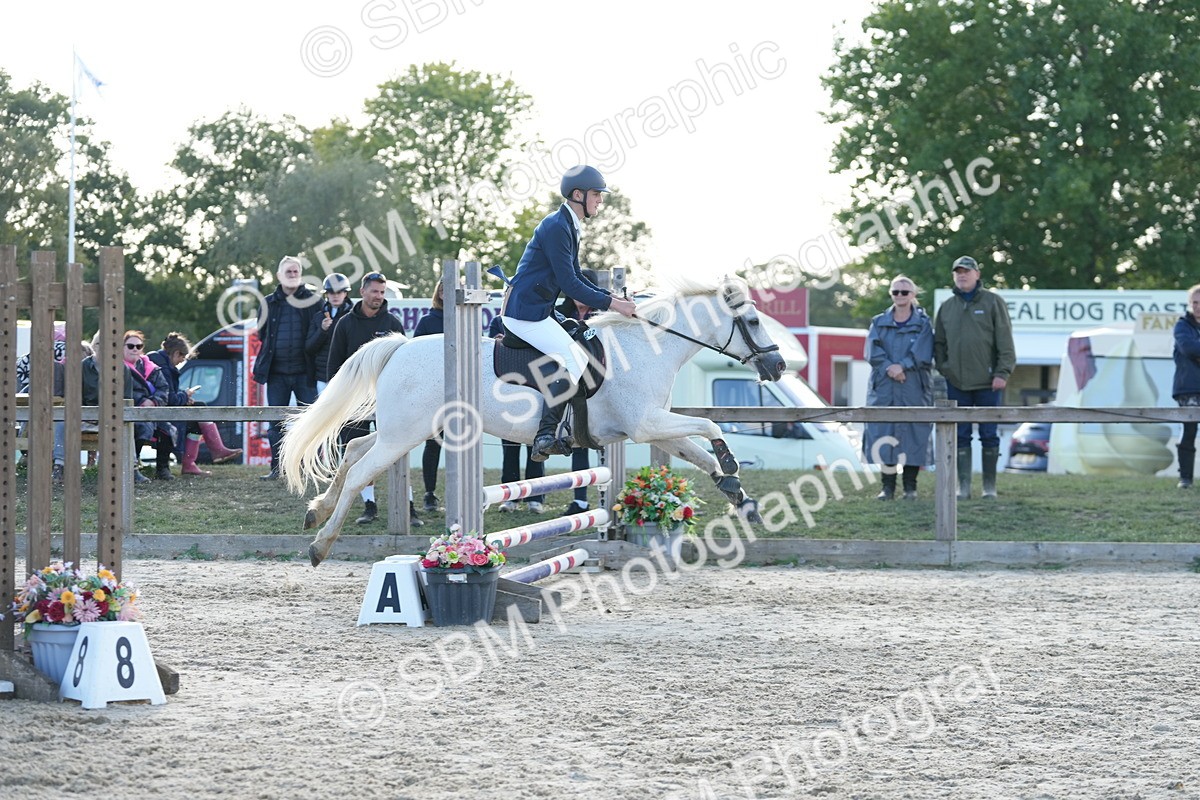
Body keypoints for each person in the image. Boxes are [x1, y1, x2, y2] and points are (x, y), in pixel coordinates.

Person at [499, 165, 637, 462]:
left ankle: (574, 427)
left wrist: (612, 297)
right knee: (575, 358)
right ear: (579, 194)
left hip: (539, 309)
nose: (600, 200)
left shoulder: (568, 223)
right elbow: (569, 283)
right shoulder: (557, 226)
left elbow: (575, 274)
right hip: (524, 313)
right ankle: (545, 435)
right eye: (597, 194)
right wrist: (614, 305)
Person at [326, 272, 419, 526]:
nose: (379, 296)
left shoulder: (393, 323)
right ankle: (369, 505)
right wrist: (339, 398)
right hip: (355, 400)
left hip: (387, 400)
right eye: (375, 291)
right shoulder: (345, 324)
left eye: (382, 292)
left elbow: (405, 365)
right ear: (362, 291)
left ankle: (408, 506)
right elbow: (335, 363)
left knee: (397, 450)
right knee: (359, 452)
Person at [934, 255, 1016, 499]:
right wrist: (946, 369)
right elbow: (939, 344)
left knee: (989, 433)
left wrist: (1002, 373)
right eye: (958, 271)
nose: (962, 275)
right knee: (960, 434)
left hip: (989, 383)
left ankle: (989, 487)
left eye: (967, 271)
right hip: (957, 383)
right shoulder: (947, 307)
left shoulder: (993, 302)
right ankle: (963, 486)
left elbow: (1006, 342)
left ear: (977, 274)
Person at [863, 276, 934, 500]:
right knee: (885, 431)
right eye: (896, 292)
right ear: (890, 294)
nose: (900, 296)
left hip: (913, 385)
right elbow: (872, 352)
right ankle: (887, 487)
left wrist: (902, 366)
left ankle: (911, 487)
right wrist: (890, 368)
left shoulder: (923, 323)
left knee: (914, 432)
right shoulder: (878, 321)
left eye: (905, 292)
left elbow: (925, 351)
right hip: (885, 386)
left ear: (913, 295)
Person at [253, 256, 320, 480]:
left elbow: (319, 334)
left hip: (305, 373)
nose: (292, 274)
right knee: (276, 422)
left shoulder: (313, 300)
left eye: (296, 271)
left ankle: (310, 468)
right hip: (277, 374)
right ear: (279, 275)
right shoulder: (267, 303)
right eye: (288, 271)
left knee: (311, 421)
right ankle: (277, 468)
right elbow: (262, 335)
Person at [148, 332, 243, 479]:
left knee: (199, 410)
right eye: (182, 358)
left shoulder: (161, 363)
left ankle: (196, 460)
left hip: (159, 410)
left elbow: (168, 394)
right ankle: (200, 457)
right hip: (157, 413)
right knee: (199, 412)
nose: (181, 362)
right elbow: (170, 398)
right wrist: (185, 395)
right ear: (176, 353)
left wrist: (184, 397)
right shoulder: (165, 368)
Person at [488, 313, 548, 513]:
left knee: (536, 448)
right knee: (509, 448)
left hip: (534, 388)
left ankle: (535, 497)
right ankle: (511, 497)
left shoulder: (535, 320)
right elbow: (492, 350)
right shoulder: (498, 321)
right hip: (508, 392)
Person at [554, 268, 602, 516]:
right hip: (568, 384)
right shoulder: (560, 313)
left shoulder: (603, 315)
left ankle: (605, 498)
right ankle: (580, 501)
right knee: (579, 443)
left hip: (600, 387)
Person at [412, 279, 445, 513]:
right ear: (437, 292)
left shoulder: (465, 320)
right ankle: (429, 494)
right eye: (442, 289)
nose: (446, 294)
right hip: (434, 392)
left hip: (462, 392)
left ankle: (462, 493)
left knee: (461, 445)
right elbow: (414, 356)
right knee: (432, 445)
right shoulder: (427, 321)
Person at [122, 330, 171, 484]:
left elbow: (164, 388)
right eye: (130, 346)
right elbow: (119, 391)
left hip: (151, 410)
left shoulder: (152, 367)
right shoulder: (116, 368)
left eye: (138, 346)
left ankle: (163, 468)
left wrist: (153, 401)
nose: (135, 349)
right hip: (128, 411)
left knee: (167, 428)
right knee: (141, 426)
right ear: (122, 348)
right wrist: (141, 401)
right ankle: (131, 468)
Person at [1171, 284, 1200, 489]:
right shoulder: (1182, 326)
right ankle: (1186, 479)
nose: (1198, 307)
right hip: (1188, 388)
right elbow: (1189, 349)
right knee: (1188, 432)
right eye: (1195, 303)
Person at [306, 273, 354, 395]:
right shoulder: (318, 317)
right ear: (327, 294)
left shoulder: (354, 317)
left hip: (347, 376)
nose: (335, 296)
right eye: (331, 292)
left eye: (339, 292)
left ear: (345, 293)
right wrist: (322, 330)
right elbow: (309, 348)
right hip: (323, 376)